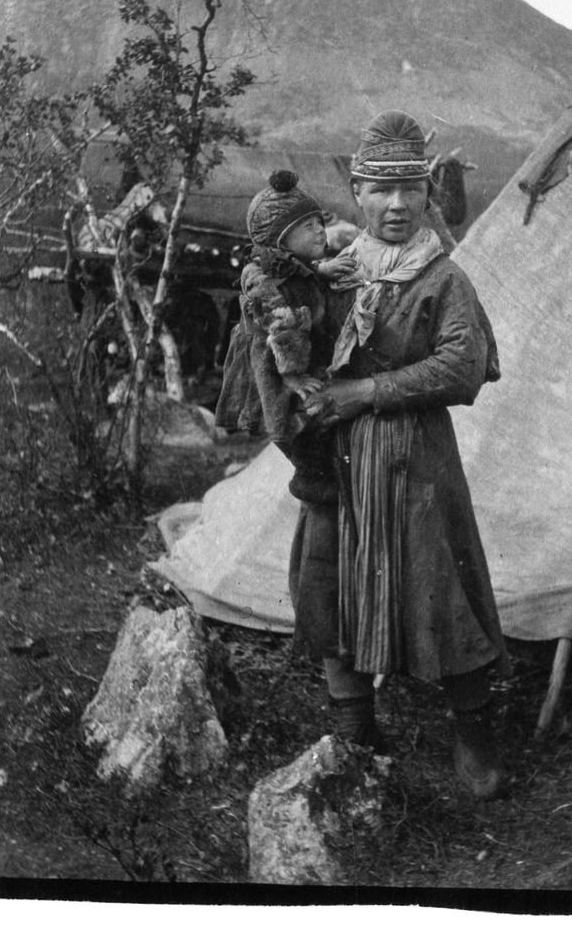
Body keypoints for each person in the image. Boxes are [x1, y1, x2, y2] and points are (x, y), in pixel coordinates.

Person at [291, 110, 510, 800]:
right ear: (356, 192)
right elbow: (292, 357)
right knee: (330, 579)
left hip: (417, 458)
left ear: (427, 194)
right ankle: (354, 727)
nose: (395, 205)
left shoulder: (443, 280)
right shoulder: (331, 275)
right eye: (380, 190)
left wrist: (364, 392)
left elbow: (462, 368)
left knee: (439, 581)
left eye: (409, 189)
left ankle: (472, 734)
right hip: (337, 458)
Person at [216, 170, 355, 504]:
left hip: (296, 349)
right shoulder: (262, 280)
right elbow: (281, 329)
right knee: (290, 417)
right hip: (273, 361)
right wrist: (293, 377)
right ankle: (310, 478)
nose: (320, 230)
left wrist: (321, 270)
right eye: (307, 226)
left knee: (316, 413)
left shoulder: (288, 264)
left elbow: (297, 271)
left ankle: (318, 471)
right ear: (279, 240)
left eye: (319, 222)